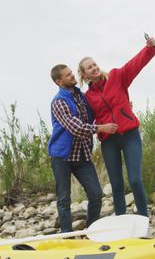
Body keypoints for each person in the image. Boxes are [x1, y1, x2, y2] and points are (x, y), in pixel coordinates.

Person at [77, 34, 155, 217]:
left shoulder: (117, 76)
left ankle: (144, 220)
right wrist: (102, 127)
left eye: (95, 64)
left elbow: (136, 64)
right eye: (89, 67)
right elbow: (85, 121)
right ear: (84, 74)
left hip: (130, 135)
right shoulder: (87, 97)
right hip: (109, 141)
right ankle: (122, 222)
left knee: (135, 180)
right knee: (117, 185)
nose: (94, 68)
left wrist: (150, 48)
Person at [48, 64, 118, 233]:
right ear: (59, 81)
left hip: (82, 155)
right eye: (67, 75)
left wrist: (118, 106)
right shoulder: (59, 102)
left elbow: (99, 109)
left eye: (71, 73)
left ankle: (90, 231)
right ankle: (66, 236)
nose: (72, 76)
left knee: (96, 195)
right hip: (62, 157)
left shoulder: (82, 97)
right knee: (64, 199)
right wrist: (101, 128)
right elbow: (76, 128)